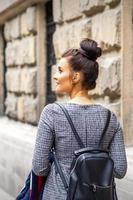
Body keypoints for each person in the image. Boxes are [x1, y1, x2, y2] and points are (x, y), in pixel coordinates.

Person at [32, 38, 127, 200]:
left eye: (60, 70)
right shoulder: (110, 118)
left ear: (75, 77)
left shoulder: (52, 112)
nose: (55, 76)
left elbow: (39, 167)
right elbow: (119, 170)